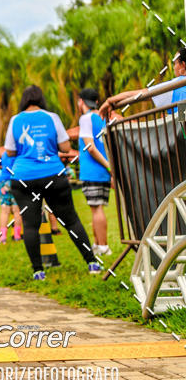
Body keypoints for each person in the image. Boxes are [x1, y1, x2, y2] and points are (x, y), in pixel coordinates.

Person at [4, 85, 99, 281]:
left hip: (23, 178)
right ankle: (92, 262)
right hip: (53, 175)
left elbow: (10, 152)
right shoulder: (52, 117)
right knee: (71, 220)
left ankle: (38, 271)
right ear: (41, 100)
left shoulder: (15, 120)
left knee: (31, 226)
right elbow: (65, 147)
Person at [100, 46, 186, 117]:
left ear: (183, 64)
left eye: (175, 63)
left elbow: (139, 94)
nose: (174, 67)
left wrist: (110, 100)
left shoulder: (176, 85)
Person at [78, 88, 112, 257]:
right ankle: (98, 244)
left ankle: (103, 246)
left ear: (81, 102)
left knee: (96, 209)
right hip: (103, 172)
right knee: (97, 208)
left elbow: (89, 147)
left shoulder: (85, 119)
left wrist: (108, 166)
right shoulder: (100, 119)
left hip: (93, 171)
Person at [0, 152, 22, 244]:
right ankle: (17, 236)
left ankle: (3, 237)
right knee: (17, 210)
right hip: (16, 180)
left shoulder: (4, 154)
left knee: (4, 211)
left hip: (3, 181)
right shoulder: (20, 153)